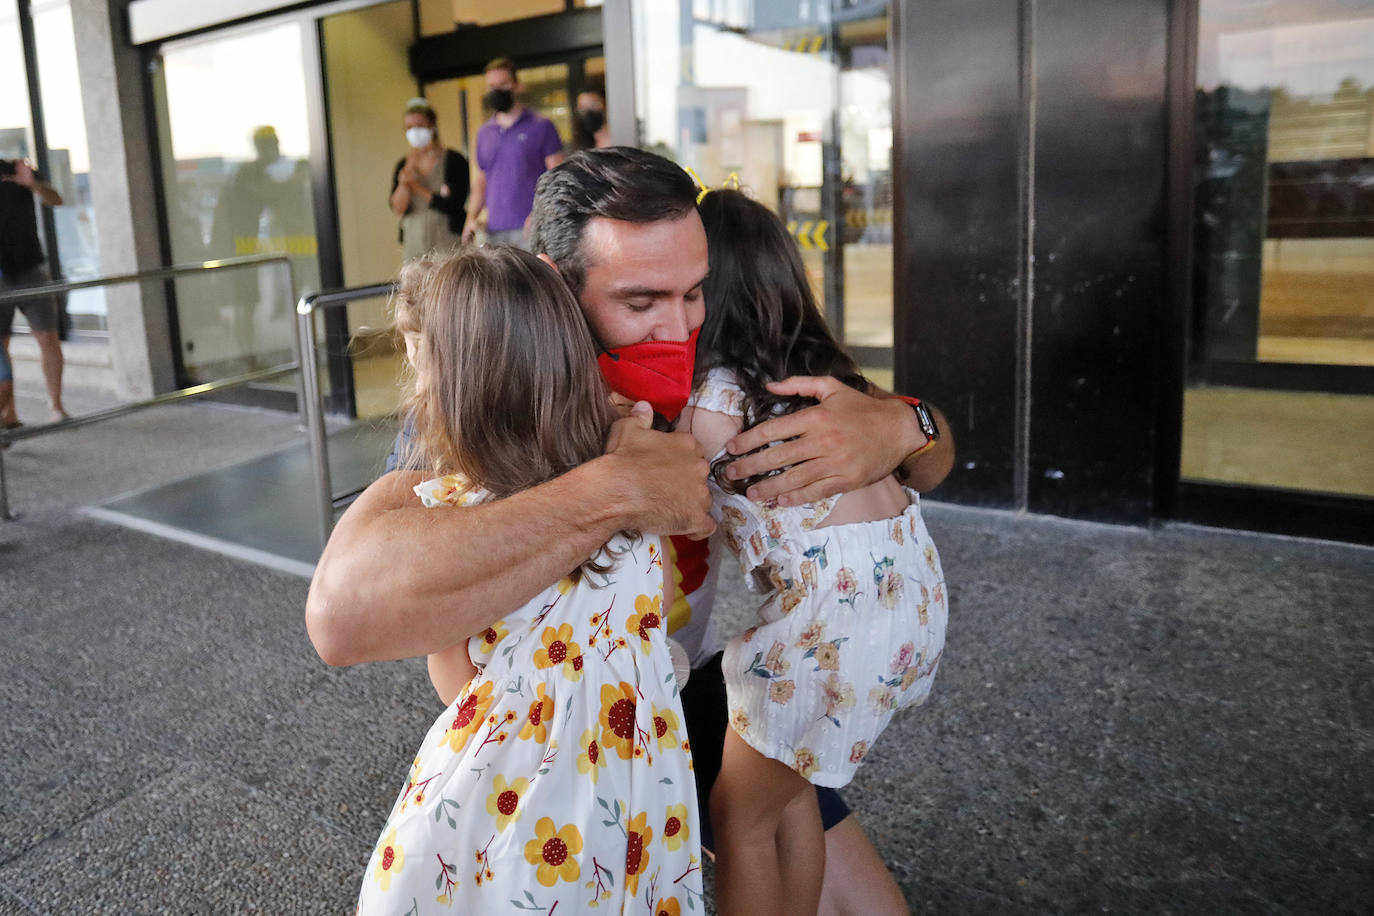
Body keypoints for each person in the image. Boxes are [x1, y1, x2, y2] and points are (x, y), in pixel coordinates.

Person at [307, 147, 952, 916]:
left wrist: (904, 426)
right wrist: (611, 491)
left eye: (695, 292)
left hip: (685, 684)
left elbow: (932, 459)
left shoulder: (724, 359)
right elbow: (343, 619)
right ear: (557, 281)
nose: (679, 325)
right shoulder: (503, 385)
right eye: (642, 301)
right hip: (555, 711)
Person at [353, 246, 701, 913]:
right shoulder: (633, 502)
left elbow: (453, 680)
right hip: (632, 786)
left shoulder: (456, 516)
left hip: (509, 805)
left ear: (454, 392)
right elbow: (654, 609)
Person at [679, 187, 948, 916]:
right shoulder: (840, 389)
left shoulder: (714, 402)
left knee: (739, 820)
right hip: (908, 612)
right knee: (791, 793)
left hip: (829, 632)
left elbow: (670, 501)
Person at [461, 58, 565, 249]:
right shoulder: (484, 133)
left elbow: (557, 176)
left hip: (531, 228)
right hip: (494, 232)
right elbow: (481, 181)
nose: (497, 90)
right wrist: (471, 218)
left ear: (516, 86)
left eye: (503, 84)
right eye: (491, 86)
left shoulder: (540, 126)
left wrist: (540, 213)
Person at [0, 157, 67, 426]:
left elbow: (56, 200)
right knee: (1, 347)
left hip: (30, 268)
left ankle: (56, 406)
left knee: (48, 338)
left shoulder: (15, 169)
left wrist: (33, 184)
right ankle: (10, 414)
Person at [390, 98, 470, 262]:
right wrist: (407, 176)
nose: (415, 131)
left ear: (432, 125)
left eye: (419, 126)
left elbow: (455, 204)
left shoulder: (454, 160)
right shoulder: (402, 164)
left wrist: (418, 188)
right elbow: (398, 207)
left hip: (447, 242)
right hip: (414, 243)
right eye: (409, 127)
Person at [569, 80, 611, 152]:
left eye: (594, 105)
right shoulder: (581, 145)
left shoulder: (619, 139)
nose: (588, 111)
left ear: (606, 104)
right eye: (583, 108)